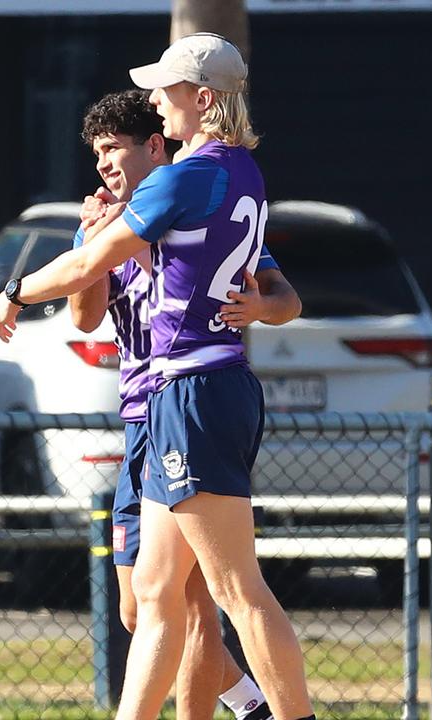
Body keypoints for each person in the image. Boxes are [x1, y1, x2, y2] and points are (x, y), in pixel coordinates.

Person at [0, 34, 315, 720]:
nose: (156, 102)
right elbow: (98, 288)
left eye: (167, 90)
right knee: (159, 594)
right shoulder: (241, 171)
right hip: (193, 392)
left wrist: (15, 292)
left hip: (194, 389)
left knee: (235, 591)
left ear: (203, 99)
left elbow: (89, 265)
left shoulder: (189, 175)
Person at [70, 90, 299, 720]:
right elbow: (86, 317)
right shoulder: (109, 221)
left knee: (198, 601)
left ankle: (238, 708)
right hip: (143, 414)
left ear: (156, 146)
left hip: (186, 403)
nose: (103, 164)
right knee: (139, 605)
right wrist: (91, 251)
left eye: (114, 148)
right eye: (96, 153)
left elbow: (280, 294)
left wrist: (264, 308)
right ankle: (250, 702)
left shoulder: (195, 198)